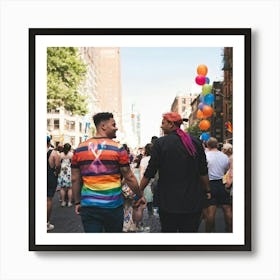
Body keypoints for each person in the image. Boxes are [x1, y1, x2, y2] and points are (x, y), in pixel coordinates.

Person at [71, 112, 144, 233]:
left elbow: (75, 178)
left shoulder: (80, 148)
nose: (116, 128)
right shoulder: (118, 148)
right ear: (103, 126)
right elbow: (129, 176)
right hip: (113, 206)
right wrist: (139, 195)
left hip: (89, 205)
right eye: (113, 124)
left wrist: (77, 201)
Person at [139, 112, 211, 233]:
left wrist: (139, 190)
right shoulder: (195, 142)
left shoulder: (160, 143)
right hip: (192, 201)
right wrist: (208, 190)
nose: (161, 126)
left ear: (171, 124)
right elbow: (203, 171)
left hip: (168, 202)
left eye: (163, 123)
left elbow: (150, 172)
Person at [205, 137, 232, 232]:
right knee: (227, 209)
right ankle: (230, 230)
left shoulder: (205, 156)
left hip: (210, 184)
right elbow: (226, 170)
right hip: (222, 183)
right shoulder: (224, 157)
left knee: (211, 212)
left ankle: (209, 233)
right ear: (217, 145)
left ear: (207, 145)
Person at [47, 136, 61, 231]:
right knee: (48, 199)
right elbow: (58, 166)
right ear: (49, 142)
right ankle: (46, 223)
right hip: (49, 176)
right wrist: (56, 173)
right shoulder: (53, 153)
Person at [57, 143, 74, 207]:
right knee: (70, 188)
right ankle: (69, 202)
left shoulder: (60, 154)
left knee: (62, 188)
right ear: (70, 148)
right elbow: (73, 163)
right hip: (69, 171)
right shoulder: (71, 154)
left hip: (62, 171)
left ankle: (63, 202)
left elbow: (58, 164)